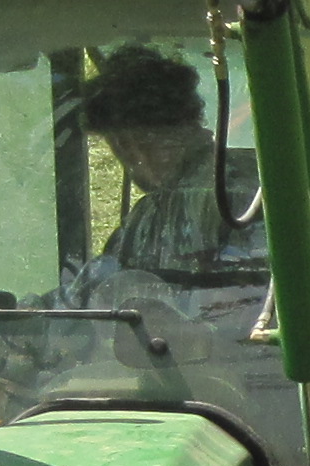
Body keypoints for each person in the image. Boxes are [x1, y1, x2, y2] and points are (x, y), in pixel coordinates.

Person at [70, 43, 261, 293]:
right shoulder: (145, 218)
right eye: (120, 147)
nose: (135, 158)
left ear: (185, 126)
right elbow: (90, 292)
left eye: (145, 141)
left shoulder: (243, 195)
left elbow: (254, 293)